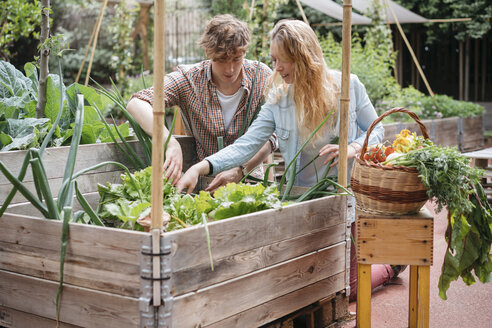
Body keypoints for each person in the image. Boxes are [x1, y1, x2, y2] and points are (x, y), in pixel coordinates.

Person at [177, 19, 401, 301]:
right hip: (298, 201)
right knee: (304, 282)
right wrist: (199, 167)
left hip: (341, 199)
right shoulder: (279, 99)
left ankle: (390, 267)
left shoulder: (348, 87)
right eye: (274, 59)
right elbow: (247, 144)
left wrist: (353, 148)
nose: (277, 68)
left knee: (349, 288)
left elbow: (376, 128)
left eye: (284, 60)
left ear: (304, 57)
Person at [127, 14, 276, 187]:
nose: (230, 69)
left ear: (244, 51)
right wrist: (169, 142)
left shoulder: (261, 76)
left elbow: (271, 135)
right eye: (221, 60)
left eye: (236, 59)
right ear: (207, 52)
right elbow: (137, 102)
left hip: (250, 181)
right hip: (203, 184)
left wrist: (241, 169)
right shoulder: (190, 80)